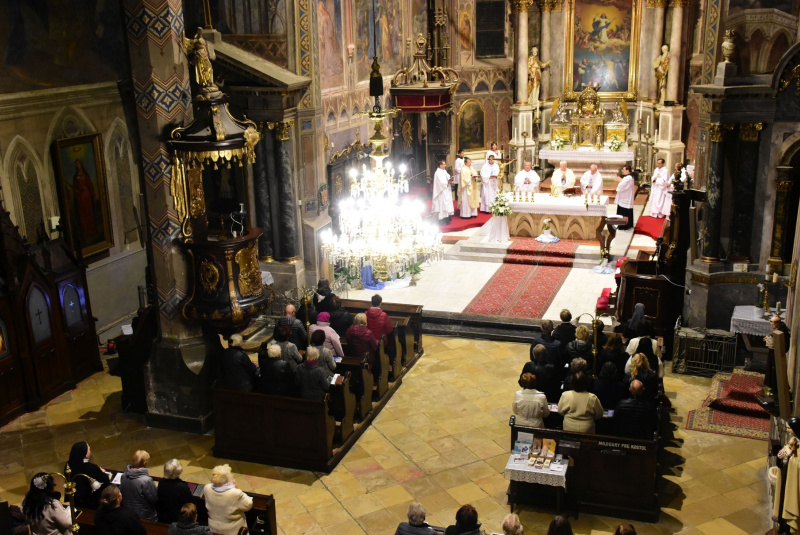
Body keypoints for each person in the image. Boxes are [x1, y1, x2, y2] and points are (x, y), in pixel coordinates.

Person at [202, 464, 253, 535]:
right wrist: (237, 488)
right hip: (233, 531)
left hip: (213, 529)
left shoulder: (207, 488)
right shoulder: (235, 493)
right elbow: (248, 505)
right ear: (227, 479)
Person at [66, 441, 109, 510]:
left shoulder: (68, 465)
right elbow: (106, 481)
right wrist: (101, 472)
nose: (90, 452)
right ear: (85, 454)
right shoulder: (90, 468)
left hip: (76, 499)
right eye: (89, 450)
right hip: (90, 501)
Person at [119, 450, 158, 522]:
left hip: (127, 512)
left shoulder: (124, 476)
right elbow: (154, 498)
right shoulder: (146, 480)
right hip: (145, 516)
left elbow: (121, 492)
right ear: (145, 463)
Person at [156, 459, 195, 525]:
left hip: (163, 515)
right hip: (177, 518)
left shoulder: (161, 482)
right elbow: (191, 501)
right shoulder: (181, 487)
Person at [527, 46, 551, 112]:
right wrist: (531, 73)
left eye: (536, 51)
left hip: (538, 74)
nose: (535, 52)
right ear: (532, 52)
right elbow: (528, 66)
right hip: (533, 74)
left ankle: (536, 99)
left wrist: (547, 63)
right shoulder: (530, 58)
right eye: (534, 51)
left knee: (537, 87)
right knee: (534, 87)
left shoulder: (536, 58)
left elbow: (541, 65)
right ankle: (533, 100)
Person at [432, 159, 454, 224]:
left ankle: (447, 217)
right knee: (442, 205)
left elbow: (448, 177)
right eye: (444, 164)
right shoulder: (437, 173)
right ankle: (442, 219)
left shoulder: (444, 171)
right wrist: (447, 182)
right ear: (440, 165)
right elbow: (441, 183)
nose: (445, 165)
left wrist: (450, 179)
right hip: (441, 192)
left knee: (446, 205)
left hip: (446, 191)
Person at [615, 166, 635, 230]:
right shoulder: (628, 177)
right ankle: (624, 225)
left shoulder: (628, 178)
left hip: (625, 198)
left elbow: (621, 186)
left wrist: (620, 180)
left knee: (624, 212)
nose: (623, 171)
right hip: (624, 197)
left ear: (628, 170)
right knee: (624, 211)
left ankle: (624, 226)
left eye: (624, 169)